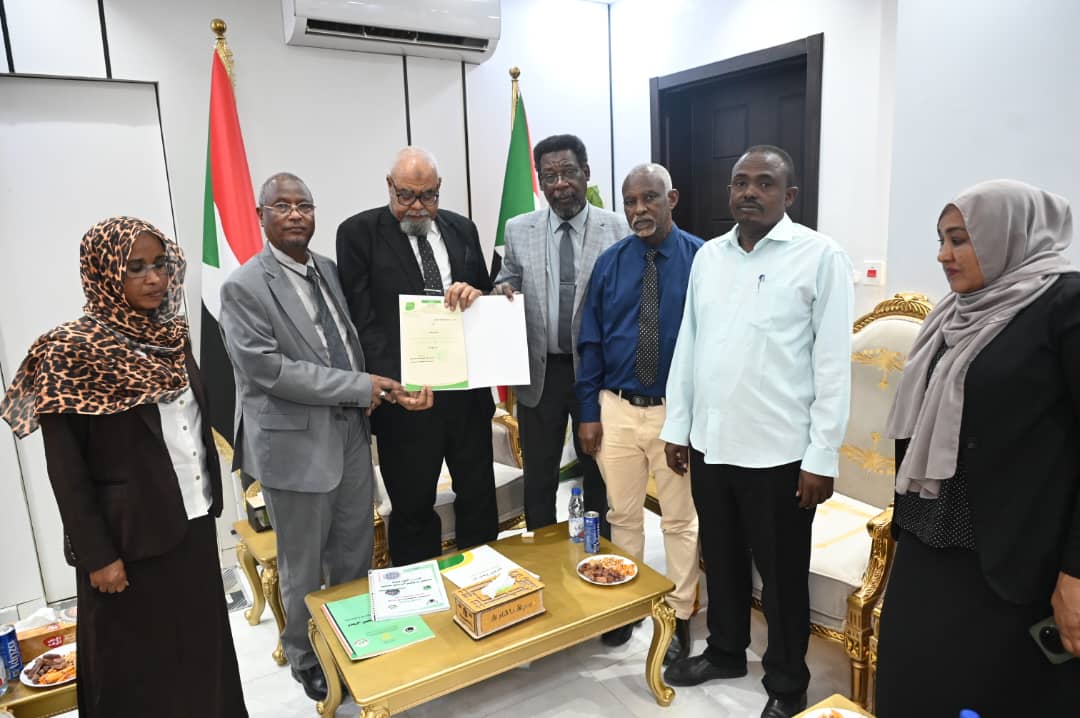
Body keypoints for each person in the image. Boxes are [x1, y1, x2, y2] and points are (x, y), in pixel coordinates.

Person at [0, 217, 247, 717]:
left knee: (203, 655)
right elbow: (66, 471)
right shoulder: (69, 351)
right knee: (138, 674)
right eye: (135, 268)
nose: (154, 278)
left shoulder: (170, 336)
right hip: (128, 545)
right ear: (103, 272)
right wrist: (97, 556)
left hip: (193, 524)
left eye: (159, 264)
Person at [660, 145, 854, 718]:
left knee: (782, 577)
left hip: (781, 455)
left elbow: (832, 366)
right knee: (720, 560)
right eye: (740, 181)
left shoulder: (820, 257)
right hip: (712, 444)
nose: (749, 191)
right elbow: (689, 344)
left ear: (789, 195)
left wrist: (821, 456)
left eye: (764, 182)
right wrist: (678, 426)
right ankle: (725, 651)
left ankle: (788, 683)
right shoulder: (709, 256)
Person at [220, 173, 430, 701]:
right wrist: (360, 386)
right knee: (303, 563)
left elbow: (348, 345)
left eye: (305, 205)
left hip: (351, 434)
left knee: (354, 550)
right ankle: (305, 654)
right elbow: (272, 371)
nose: (296, 214)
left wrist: (380, 388)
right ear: (261, 215)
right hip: (295, 445)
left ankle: (349, 637)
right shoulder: (243, 286)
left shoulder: (329, 270)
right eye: (282, 206)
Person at [876, 180, 1080, 715]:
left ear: (1008, 235)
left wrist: (1076, 573)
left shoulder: (1065, 305)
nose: (943, 255)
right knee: (907, 687)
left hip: (1010, 559)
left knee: (983, 696)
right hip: (928, 537)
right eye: (941, 239)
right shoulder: (954, 312)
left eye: (959, 239)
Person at [336, 147, 499, 565]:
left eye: (428, 196)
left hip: (466, 396)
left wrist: (476, 293)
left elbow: (483, 295)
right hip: (406, 402)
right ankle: (421, 595)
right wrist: (396, 385)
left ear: (439, 188)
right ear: (389, 186)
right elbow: (362, 321)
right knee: (412, 509)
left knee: (479, 498)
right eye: (406, 195)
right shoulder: (358, 233)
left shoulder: (462, 228)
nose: (417, 207)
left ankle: (484, 584)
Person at [576, 163, 703, 658]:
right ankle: (628, 605)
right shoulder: (610, 263)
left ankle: (681, 615)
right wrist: (589, 413)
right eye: (630, 201)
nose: (638, 210)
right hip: (617, 409)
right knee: (622, 515)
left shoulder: (701, 260)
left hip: (675, 413)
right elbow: (590, 340)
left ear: (672, 198)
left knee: (679, 520)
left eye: (649, 198)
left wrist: (690, 422)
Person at [494, 134, 630, 536]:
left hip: (598, 373)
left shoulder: (617, 227)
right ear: (540, 180)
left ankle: (599, 552)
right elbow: (507, 278)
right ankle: (543, 557)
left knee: (599, 472)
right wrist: (502, 290)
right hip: (542, 372)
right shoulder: (519, 229)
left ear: (585, 173)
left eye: (568, 172)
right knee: (539, 477)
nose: (559, 184)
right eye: (549, 176)